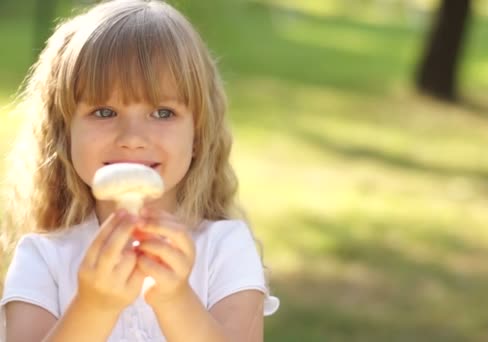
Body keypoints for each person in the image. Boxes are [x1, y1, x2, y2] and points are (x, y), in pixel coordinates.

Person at [0, 0, 279, 341]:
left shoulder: (226, 249)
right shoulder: (42, 260)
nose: (132, 139)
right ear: (63, 131)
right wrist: (94, 306)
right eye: (104, 112)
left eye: (162, 113)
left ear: (198, 135)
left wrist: (175, 300)